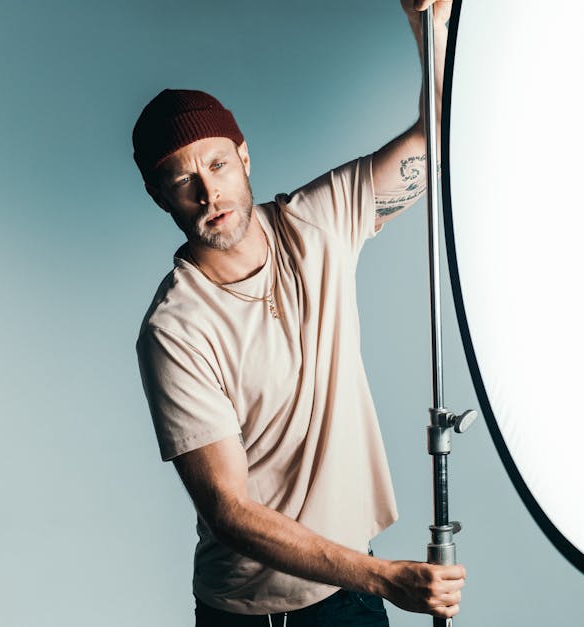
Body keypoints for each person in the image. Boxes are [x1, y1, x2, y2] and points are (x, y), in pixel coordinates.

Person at [134, 1, 464, 624]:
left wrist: (432, 28)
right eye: (184, 182)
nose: (210, 193)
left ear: (244, 157)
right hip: (259, 612)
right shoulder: (175, 329)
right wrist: (383, 576)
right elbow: (229, 509)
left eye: (217, 165)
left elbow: (440, 137)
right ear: (160, 197)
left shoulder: (317, 223)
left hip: (357, 584)